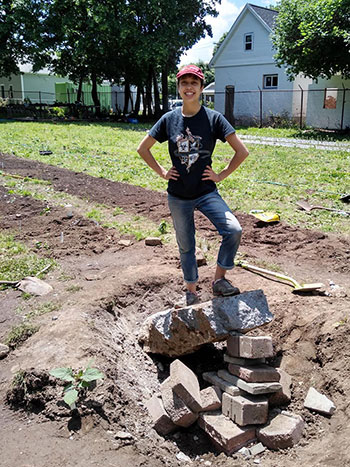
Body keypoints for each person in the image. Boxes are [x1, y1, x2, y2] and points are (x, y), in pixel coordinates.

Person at [137, 64, 249, 305]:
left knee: (233, 230)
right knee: (186, 245)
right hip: (178, 195)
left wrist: (221, 174)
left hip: (206, 192)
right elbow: (142, 148)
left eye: (194, 83)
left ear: (200, 88)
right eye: (184, 83)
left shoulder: (214, 119)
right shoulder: (169, 119)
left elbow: (242, 151)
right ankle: (191, 292)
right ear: (178, 87)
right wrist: (162, 172)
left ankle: (220, 281)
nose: (189, 87)